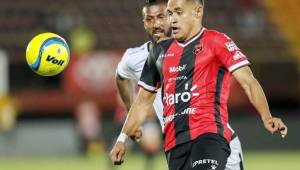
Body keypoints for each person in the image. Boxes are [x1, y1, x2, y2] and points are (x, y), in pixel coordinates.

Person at [111, 0, 288, 170]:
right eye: (171, 14)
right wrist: (122, 138)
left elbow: (248, 81)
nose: (172, 19)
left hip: (209, 136)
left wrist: (267, 117)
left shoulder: (217, 41)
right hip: (175, 145)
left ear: (197, 12)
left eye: (178, 13)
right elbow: (142, 101)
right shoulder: (158, 53)